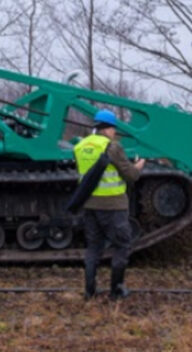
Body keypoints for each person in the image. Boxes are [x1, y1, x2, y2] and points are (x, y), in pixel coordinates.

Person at [74, 109, 146, 301]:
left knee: (93, 248)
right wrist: (138, 166)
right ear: (108, 128)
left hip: (90, 205)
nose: (115, 133)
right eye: (114, 129)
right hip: (114, 206)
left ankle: (89, 291)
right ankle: (116, 290)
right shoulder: (112, 147)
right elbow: (131, 176)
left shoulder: (80, 146)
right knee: (122, 245)